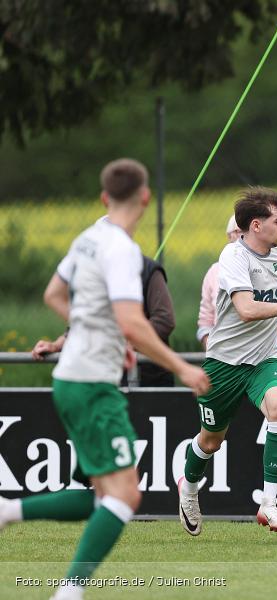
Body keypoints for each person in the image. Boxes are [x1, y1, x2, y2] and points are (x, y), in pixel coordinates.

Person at [1, 159, 210, 600]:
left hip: (72, 379)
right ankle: (69, 590)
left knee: (105, 494)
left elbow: (53, 294)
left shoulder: (87, 239)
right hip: (92, 383)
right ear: (146, 197)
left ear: (103, 197)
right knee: (124, 497)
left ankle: (10, 513)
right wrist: (182, 367)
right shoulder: (121, 249)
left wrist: (99, 331)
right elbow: (133, 322)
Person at [177, 188, 277, 536]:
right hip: (224, 364)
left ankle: (269, 503)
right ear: (256, 226)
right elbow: (246, 310)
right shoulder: (232, 257)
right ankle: (189, 488)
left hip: (264, 359)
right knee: (211, 442)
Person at [32, 254, 177, 388]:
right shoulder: (95, 273)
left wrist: (130, 342)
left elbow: (164, 320)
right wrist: (56, 345)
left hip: (149, 379)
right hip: (105, 379)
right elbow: (87, 322)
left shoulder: (148, 270)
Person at [197, 215, 242, 348]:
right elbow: (205, 322)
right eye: (239, 231)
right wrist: (212, 346)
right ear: (229, 237)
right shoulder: (214, 272)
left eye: (248, 231)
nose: (244, 237)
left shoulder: (268, 268)